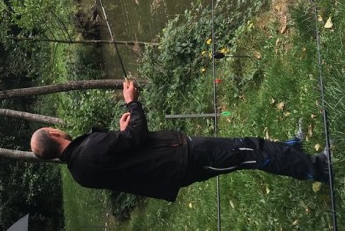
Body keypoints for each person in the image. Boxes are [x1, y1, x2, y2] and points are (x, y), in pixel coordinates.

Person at [30, 80, 329, 202]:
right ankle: (317, 168)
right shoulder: (87, 150)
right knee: (249, 152)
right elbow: (138, 136)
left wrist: (121, 133)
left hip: (174, 165)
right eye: (54, 129)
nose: (58, 129)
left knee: (246, 147)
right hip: (181, 158)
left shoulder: (79, 171)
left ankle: (292, 151)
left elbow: (123, 156)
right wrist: (131, 102)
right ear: (54, 135)